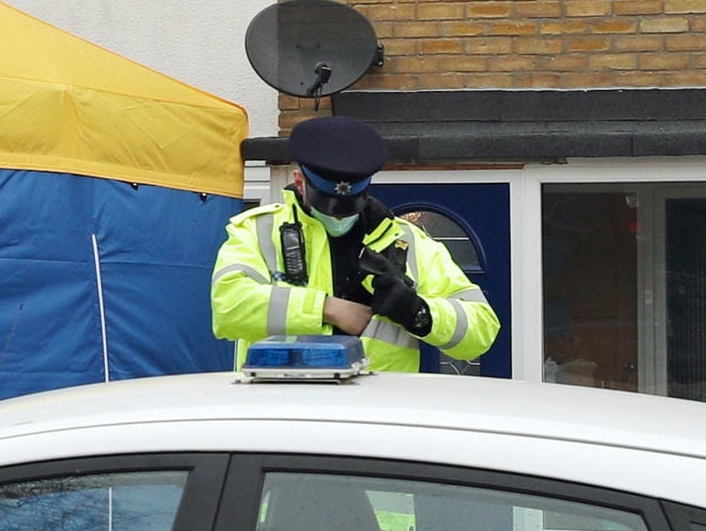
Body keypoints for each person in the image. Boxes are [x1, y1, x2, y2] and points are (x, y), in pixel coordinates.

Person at [211, 112, 499, 372]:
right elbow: (228, 306)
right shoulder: (259, 231)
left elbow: (482, 329)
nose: (340, 217)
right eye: (330, 205)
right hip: (286, 415)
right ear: (300, 182)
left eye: (350, 205)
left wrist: (419, 313)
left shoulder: (406, 242)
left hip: (374, 419)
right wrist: (327, 308)